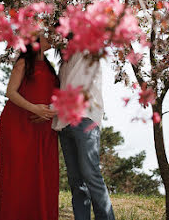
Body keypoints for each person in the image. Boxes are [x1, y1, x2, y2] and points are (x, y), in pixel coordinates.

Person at [0, 33, 60, 220]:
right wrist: (34, 109)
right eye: (47, 36)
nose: (53, 38)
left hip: (43, 127)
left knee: (43, 176)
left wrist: (49, 112)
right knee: (18, 174)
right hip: (19, 125)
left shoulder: (49, 66)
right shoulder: (23, 63)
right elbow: (10, 92)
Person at [53, 51, 116, 220]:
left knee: (91, 174)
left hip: (84, 118)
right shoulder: (65, 60)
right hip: (65, 123)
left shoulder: (86, 50)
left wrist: (49, 109)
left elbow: (75, 87)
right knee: (76, 182)